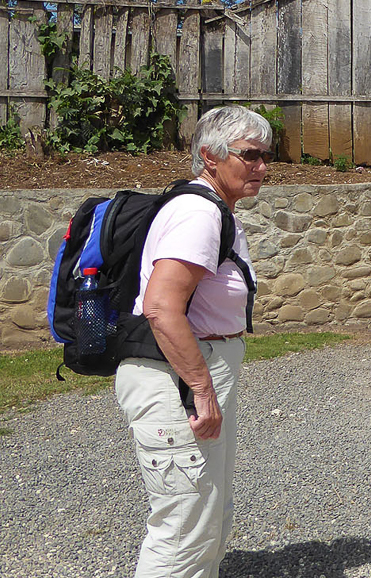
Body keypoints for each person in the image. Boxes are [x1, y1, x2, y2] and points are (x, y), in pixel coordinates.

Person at [115, 105, 270, 578]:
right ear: (210, 156)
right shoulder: (198, 213)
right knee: (184, 530)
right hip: (177, 382)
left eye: (266, 156)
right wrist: (201, 388)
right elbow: (161, 307)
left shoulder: (213, 210)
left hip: (193, 373)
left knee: (207, 518)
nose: (263, 167)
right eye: (250, 156)